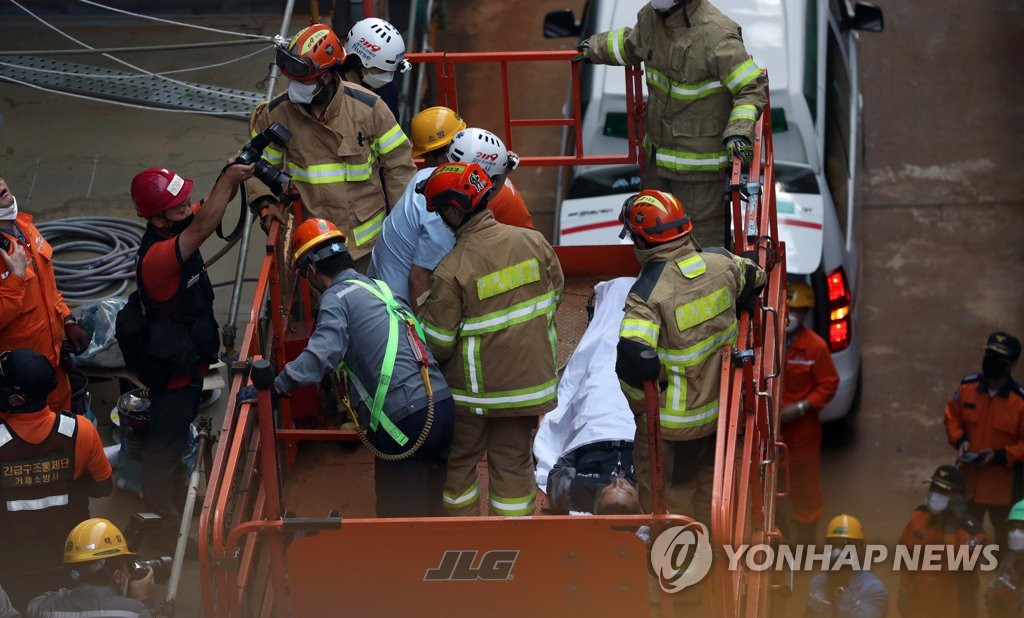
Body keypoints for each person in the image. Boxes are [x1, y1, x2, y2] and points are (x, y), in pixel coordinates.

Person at [258, 218, 454, 517]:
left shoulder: (336, 298)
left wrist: (278, 385)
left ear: (311, 270)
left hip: (406, 420)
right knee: (433, 510)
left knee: (401, 522)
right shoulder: (379, 288)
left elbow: (322, 354)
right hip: (440, 405)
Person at [418, 162, 564, 517]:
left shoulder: (453, 269)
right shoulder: (533, 242)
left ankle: (464, 536)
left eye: (440, 213)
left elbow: (437, 343)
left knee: (459, 463)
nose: (440, 220)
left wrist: (424, 308)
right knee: (513, 464)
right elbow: (555, 292)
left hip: (474, 396)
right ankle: (512, 542)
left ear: (454, 211)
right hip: (528, 389)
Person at [614, 189, 765, 523]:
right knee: (711, 487)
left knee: (672, 502)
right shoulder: (722, 263)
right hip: (722, 411)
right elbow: (756, 276)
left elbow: (632, 360)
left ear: (642, 242)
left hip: (674, 430)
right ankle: (712, 551)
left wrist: (642, 410)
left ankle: (680, 567)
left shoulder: (646, 296)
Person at [129, 161, 254, 553]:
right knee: (164, 448)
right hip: (174, 375)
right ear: (159, 218)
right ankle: (164, 525)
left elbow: (206, 209)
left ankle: (180, 501)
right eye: (180, 207)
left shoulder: (175, 223)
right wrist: (229, 180)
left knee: (175, 435)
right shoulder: (160, 257)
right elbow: (202, 226)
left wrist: (230, 173)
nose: (189, 209)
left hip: (190, 359)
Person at [574, 0, 768, 246]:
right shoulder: (651, 18)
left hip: (699, 174)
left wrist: (739, 132)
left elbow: (751, 88)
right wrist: (594, 48)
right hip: (657, 163)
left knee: (700, 248)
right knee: (654, 240)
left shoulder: (717, 35)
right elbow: (632, 44)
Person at [247, 24, 416, 270]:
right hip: (312, 248)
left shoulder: (369, 108)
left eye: (304, 82)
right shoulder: (278, 114)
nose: (295, 89)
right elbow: (257, 164)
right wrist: (265, 204)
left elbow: (399, 168)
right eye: (294, 81)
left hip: (367, 250)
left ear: (326, 77)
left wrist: (404, 234)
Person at [369, 111, 534, 310]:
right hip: (397, 308)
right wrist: (426, 337)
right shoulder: (442, 208)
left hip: (382, 291)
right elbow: (419, 279)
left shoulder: (430, 180)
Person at [0, 349, 113, 609]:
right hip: (72, 561)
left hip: (14, 568)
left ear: (17, 399)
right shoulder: (80, 430)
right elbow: (103, 486)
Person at [0, 176, 91, 414]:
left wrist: (67, 319)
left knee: (65, 431)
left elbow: (47, 288)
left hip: (54, 363)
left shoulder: (23, 225)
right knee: (35, 444)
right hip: (22, 382)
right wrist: (15, 279)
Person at [944, 331, 1024, 548]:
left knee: (1007, 541)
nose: (991, 360)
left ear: (1012, 364)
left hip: (1005, 488)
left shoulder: (1020, 402)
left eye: (998, 357)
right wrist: (961, 441)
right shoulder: (966, 389)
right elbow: (952, 418)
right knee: (965, 538)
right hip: (970, 483)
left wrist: (999, 455)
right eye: (989, 353)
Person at [779, 280, 839, 545]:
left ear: (805, 314)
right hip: (771, 426)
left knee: (805, 484)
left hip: (802, 429)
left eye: (799, 311)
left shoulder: (815, 347)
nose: (793, 315)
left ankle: (804, 543)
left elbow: (829, 383)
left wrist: (801, 407)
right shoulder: (766, 342)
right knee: (768, 478)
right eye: (790, 308)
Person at [897, 465, 985, 618]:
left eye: (944, 491)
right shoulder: (918, 518)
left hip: (955, 606)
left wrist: (950, 529)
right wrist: (904, 590)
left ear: (958, 498)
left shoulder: (974, 533)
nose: (936, 494)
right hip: (919, 602)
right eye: (934, 487)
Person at [27, 518, 154, 618]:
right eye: (124, 567)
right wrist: (142, 600)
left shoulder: (42, 607)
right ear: (117, 576)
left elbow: (37, 606)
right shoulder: (135, 612)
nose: (128, 574)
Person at [805, 514, 889, 618]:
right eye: (833, 544)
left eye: (845, 545)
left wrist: (842, 594)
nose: (837, 552)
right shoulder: (818, 582)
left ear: (859, 550)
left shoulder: (873, 590)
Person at [341, 17, 411, 121]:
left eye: (389, 70)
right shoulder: (333, 87)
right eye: (381, 69)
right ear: (358, 61)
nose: (385, 76)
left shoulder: (388, 88)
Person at [547, 441, 639, 515]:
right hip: (631, 431)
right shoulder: (648, 487)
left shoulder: (577, 492)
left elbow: (558, 471)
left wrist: (577, 443)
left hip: (591, 432)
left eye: (608, 489)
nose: (617, 481)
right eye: (627, 491)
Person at [986, 499, 1024, 617]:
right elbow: (989, 594)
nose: (1016, 533)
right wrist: (997, 600)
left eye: (1023, 528)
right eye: (1012, 527)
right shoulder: (1010, 560)